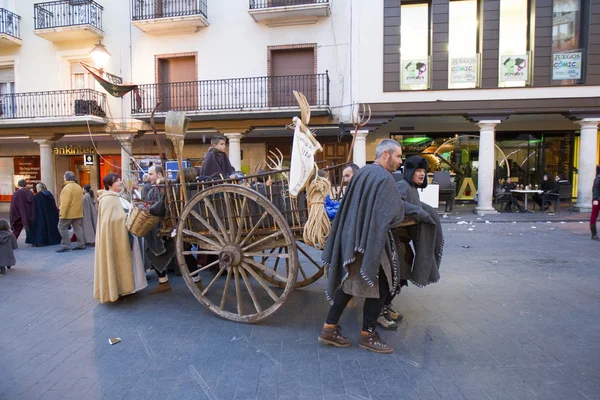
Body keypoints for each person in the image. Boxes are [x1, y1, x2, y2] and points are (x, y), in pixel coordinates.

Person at [318, 139, 406, 354]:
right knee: (383, 285)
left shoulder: (363, 172)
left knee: (349, 283)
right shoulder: (384, 178)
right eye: (398, 156)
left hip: (353, 237)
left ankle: (329, 328)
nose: (400, 161)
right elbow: (394, 214)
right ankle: (368, 334)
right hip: (370, 240)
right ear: (385, 154)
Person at [385, 156, 443, 329]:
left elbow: (414, 203)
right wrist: (418, 211)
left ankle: (385, 305)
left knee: (402, 277)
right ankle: (381, 309)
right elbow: (398, 203)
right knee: (397, 276)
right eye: (418, 171)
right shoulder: (403, 185)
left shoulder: (412, 188)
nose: (422, 174)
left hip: (403, 241)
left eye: (424, 171)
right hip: (395, 239)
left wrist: (425, 209)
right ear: (410, 172)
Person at [94, 174, 139, 303]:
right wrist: (127, 217)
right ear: (109, 184)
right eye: (117, 181)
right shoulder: (108, 199)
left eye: (120, 180)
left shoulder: (118, 197)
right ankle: (116, 289)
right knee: (115, 261)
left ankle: (124, 288)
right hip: (114, 237)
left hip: (120, 236)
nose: (120, 182)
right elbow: (110, 220)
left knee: (122, 262)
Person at [143, 165, 176, 294]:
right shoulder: (170, 188)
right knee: (183, 252)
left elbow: (152, 209)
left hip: (161, 228)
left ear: (160, 175)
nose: (148, 176)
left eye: (151, 174)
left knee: (151, 252)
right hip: (171, 226)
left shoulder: (155, 190)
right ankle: (196, 280)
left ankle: (164, 282)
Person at [119, 174, 148, 294]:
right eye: (135, 180)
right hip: (130, 229)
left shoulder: (136, 193)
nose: (137, 181)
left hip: (138, 228)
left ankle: (139, 278)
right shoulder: (122, 197)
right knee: (133, 255)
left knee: (138, 254)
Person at [56, 171, 85, 253]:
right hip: (78, 211)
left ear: (66, 178)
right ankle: (81, 244)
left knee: (61, 227)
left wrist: (62, 214)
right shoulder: (78, 187)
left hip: (68, 212)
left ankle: (66, 245)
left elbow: (65, 203)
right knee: (78, 228)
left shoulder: (67, 188)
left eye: (64, 177)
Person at [25, 183, 61, 247]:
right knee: (50, 228)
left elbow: (35, 207)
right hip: (50, 215)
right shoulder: (50, 195)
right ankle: (51, 240)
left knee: (40, 228)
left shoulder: (38, 196)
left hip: (40, 215)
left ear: (39, 188)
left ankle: (40, 241)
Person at [590, 166, 600, 241]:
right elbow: (595, 188)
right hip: (598, 199)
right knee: (594, 215)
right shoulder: (598, 178)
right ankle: (594, 234)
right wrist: (596, 198)